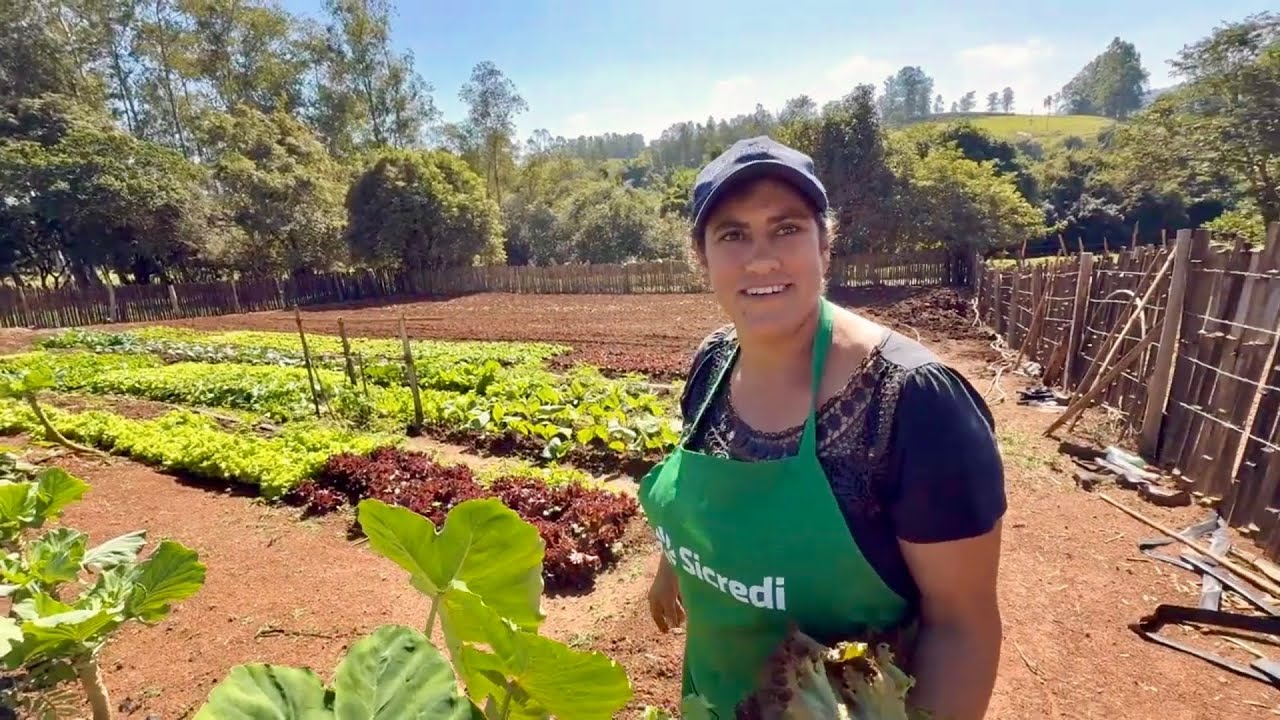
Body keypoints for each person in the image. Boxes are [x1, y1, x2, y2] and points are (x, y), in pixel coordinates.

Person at [637, 136, 1005, 720]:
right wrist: (672, 568)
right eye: (732, 235)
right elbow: (694, 495)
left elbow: (963, 626)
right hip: (711, 699)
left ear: (824, 247)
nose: (761, 259)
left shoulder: (912, 403)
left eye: (786, 229)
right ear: (702, 258)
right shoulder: (711, 364)